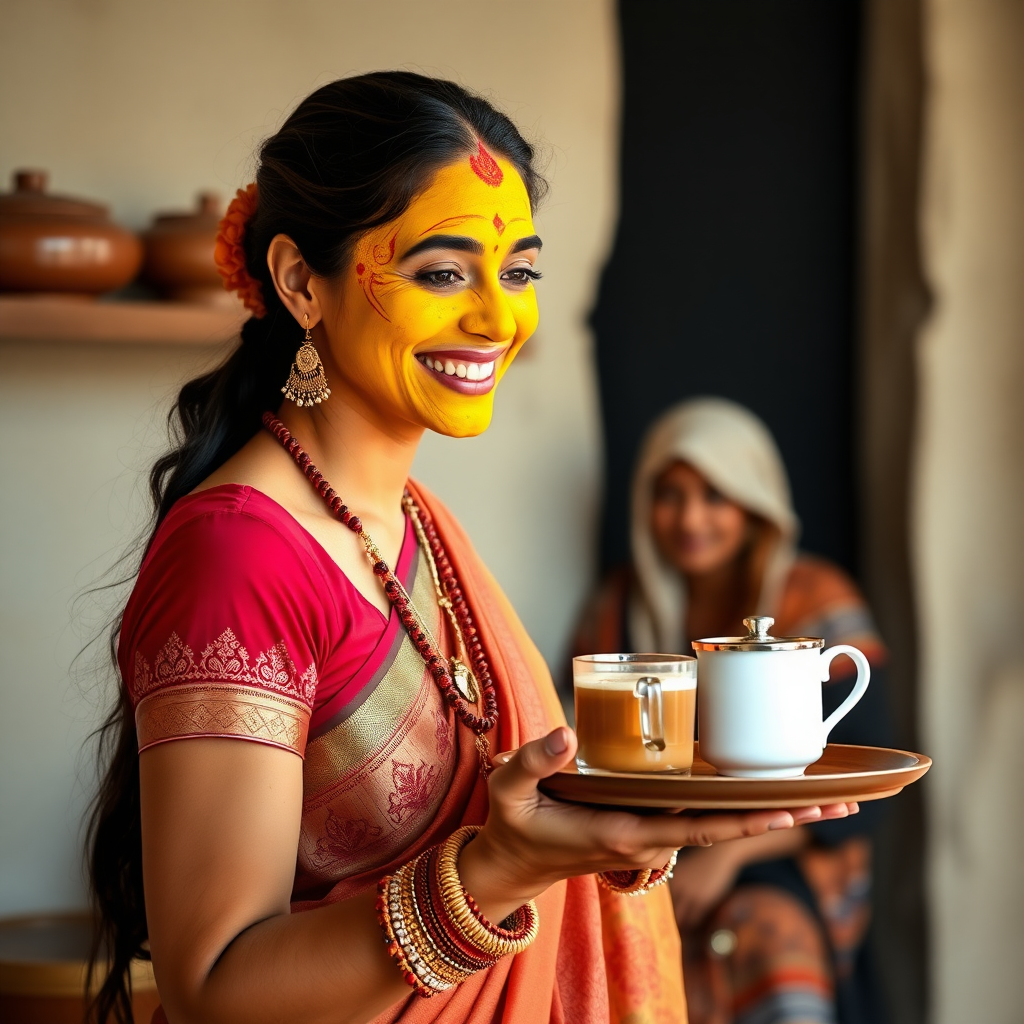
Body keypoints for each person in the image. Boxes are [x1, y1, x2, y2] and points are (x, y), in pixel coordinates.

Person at [86, 76, 855, 1024]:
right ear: (297, 282)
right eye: (445, 272)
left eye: (520, 271)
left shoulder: (414, 522)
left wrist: (595, 838)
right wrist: (500, 871)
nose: (499, 318)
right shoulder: (239, 555)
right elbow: (217, 992)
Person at [571, 397, 889, 1024]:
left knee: (767, 936)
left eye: (716, 495)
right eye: (670, 494)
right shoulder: (619, 607)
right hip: (642, 852)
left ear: (755, 503)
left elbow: (862, 788)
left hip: (782, 857)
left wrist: (727, 853)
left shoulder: (820, 602)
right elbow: (582, 738)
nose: (691, 517)